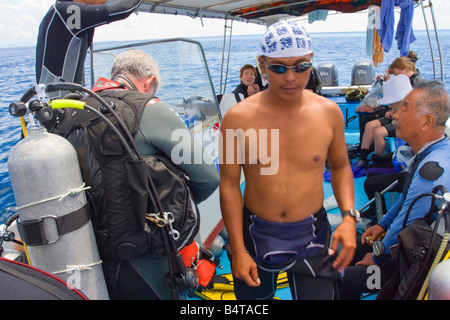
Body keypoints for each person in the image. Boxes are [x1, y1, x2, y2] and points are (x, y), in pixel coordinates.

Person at [54, 49, 220, 298]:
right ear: (150, 81)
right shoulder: (148, 108)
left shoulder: (70, 112)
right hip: (143, 251)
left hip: (84, 246)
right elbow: (208, 176)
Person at [219, 21, 357, 300]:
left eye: (301, 67)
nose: (291, 77)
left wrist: (348, 218)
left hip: (313, 234)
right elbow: (229, 185)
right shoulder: (237, 118)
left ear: (311, 62)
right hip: (256, 233)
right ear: (263, 64)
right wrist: (237, 249)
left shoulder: (329, 113)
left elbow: (341, 166)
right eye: (279, 68)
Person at [340, 81, 450, 299]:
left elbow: (409, 220)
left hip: (406, 267)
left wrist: (377, 257)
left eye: (404, 108)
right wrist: (381, 224)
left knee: (338, 276)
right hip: (409, 248)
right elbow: (407, 199)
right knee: (347, 246)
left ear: (427, 122)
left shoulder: (431, 171)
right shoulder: (434, 152)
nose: (393, 114)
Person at [36, 0, 142, 87]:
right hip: (57, 101)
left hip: (61, 99)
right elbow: (123, 9)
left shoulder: (59, 10)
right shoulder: (67, 11)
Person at [352, 75, 413, 175]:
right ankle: (362, 158)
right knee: (369, 125)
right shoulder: (397, 104)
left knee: (378, 132)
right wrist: (391, 112)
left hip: (402, 125)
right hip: (393, 119)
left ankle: (377, 161)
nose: (389, 105)